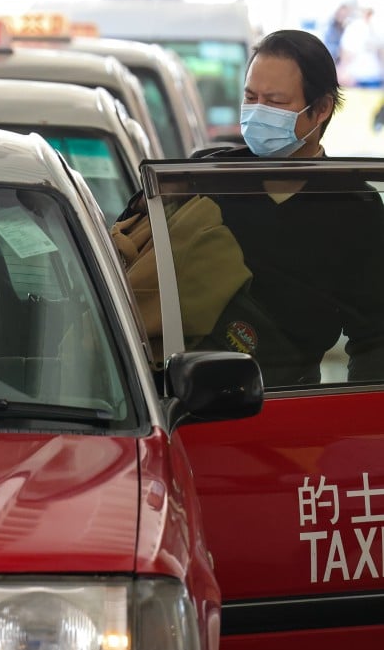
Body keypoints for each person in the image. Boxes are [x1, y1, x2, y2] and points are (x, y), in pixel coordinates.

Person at [113, 29, 384, 386]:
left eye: (275, 102)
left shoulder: (354, 208)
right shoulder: (202, 180)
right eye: (251, 97)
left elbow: (374, 341)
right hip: (174, 397)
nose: (258, 112)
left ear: (320, 109)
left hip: (282, 403)